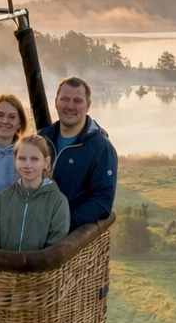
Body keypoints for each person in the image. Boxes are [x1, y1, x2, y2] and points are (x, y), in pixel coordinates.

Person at [38, 76, 117, 229]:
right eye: (65, 99)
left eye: (77, 101)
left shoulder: (101, 147)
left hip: (65, 234)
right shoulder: (42, 138)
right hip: (34, 229)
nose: (70, 106)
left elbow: (102, 202)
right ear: (56, 102)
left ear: (88, 105)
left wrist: (61, 223)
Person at [0, 134, 70, 251]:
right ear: (15, 160)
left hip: (40, 263)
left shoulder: (57, 201)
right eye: (22, 158)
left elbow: (55, 244)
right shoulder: (3, 198)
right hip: (5, 262)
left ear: (46, 162)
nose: (27, 165)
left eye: (34, 159)